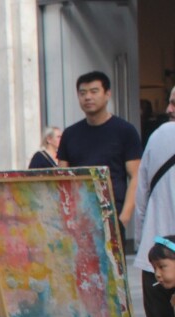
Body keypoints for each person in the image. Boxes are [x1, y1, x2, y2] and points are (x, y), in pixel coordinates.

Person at [134, 92, 175, 317]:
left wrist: (146, 239)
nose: (169, 109)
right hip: (163, 263)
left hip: (157, 261)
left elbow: (143, 195)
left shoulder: (159, 136)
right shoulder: (163, 135)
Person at [57, 70, 143, 232]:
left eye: (94, 91)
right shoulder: (69, 134)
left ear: (107, 94)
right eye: (82, 93)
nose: (87, 97)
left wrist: (124, 217)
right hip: (78, 218)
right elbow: (61, 177)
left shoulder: (125, 131)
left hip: (112, 215)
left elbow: (135, 176)